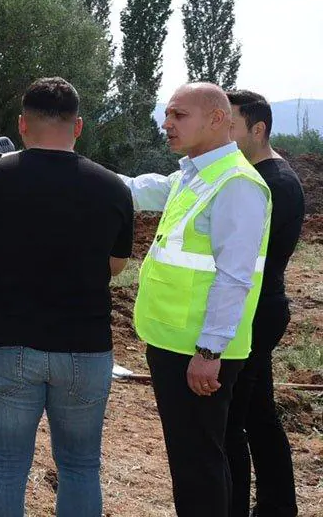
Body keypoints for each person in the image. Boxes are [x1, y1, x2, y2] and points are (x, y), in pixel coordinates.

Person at [0, 77, 133, 517]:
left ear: (22, 125)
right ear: (78, 127)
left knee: (5, 466)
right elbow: (115, 266)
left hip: (7, 341)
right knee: (80, 466)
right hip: (85, 349)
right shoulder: (112, 187)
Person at [118, 82, 272, 517]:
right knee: (199, 461)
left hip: (199, 351)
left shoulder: (237, 184)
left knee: (198, 466)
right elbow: (134, 188)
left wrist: (209, 350)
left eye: (179, 115)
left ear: (218, 118)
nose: (167, 124)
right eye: (167, 115)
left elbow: (235, 276)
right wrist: (71, 167)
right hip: (176, 342)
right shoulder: (194, 175)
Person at [225, 89, 303, 516]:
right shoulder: (271, 177)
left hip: (255, 311)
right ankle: (277, 506)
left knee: (231, 422)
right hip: (261, 308)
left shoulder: (271, 184)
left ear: (259, 129)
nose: (225, 132)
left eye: (231, 125)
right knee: (257, 414)